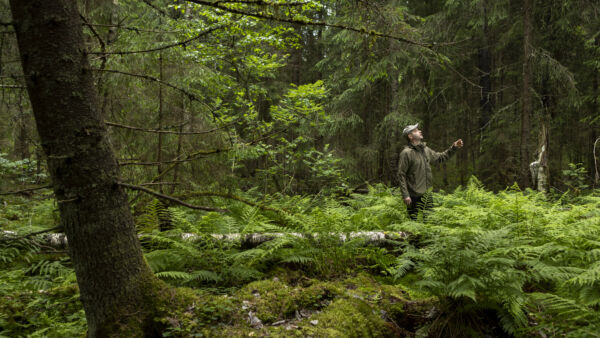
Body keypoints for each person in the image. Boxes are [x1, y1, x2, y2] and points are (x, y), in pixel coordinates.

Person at [397, 123, 463, 220]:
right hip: (413, 196)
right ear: (410, 136)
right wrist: (406, 195)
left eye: (418, 129)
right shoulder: (406, 153)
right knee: (413, 225)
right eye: (415, 130)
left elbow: (440, 157)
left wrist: (454, 147)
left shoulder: (425, 150)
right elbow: (401, 175)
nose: (419, 131)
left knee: (430, 223)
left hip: (426, 194)